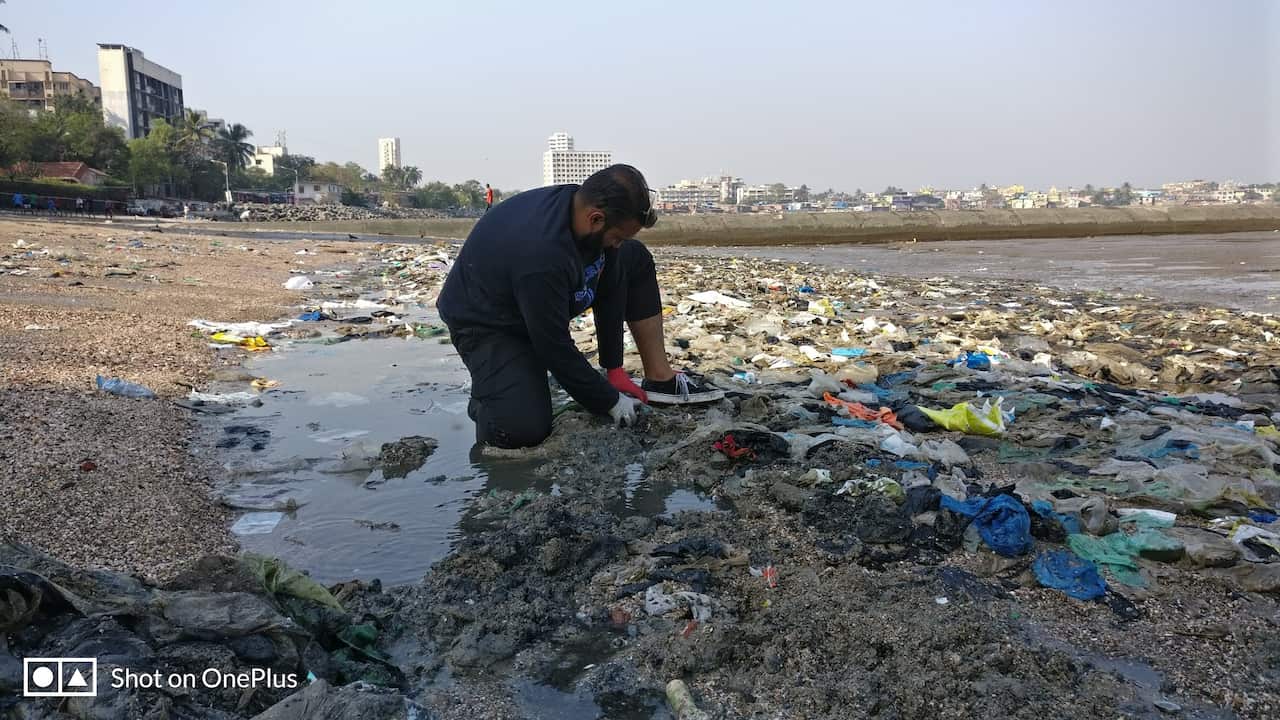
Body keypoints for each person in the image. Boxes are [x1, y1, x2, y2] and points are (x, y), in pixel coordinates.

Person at [437, 164, 723, 449]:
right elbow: (553, 346)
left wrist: (615, 370)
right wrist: (610, 402)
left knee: (634, 258)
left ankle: (661, 378)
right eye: (619, 236)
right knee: (520, 430)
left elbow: (611, 281)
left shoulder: (584, 209)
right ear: (596, 219)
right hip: (489, 322)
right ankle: (488, 398)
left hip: (537, 298)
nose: (618, 245)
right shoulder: (541, 256)